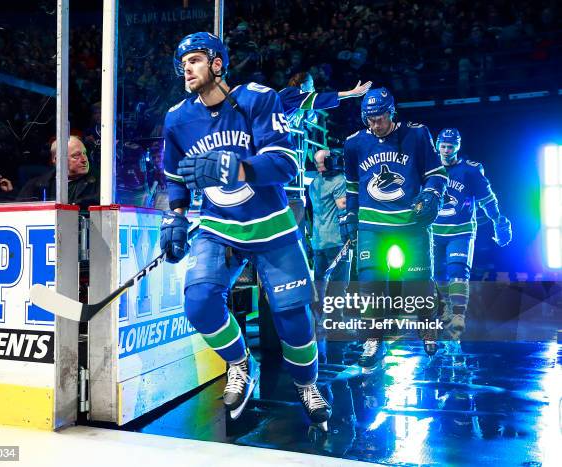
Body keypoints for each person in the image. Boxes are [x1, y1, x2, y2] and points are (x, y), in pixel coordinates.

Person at [160, 32, 331, 430]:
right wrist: (177, 215)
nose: (187, 68)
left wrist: (236, 168)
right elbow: (175, 177)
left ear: (218, 63)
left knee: (294, 320)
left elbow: (285, 163)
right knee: (199, 303)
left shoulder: (258, 98)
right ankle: (239, 362)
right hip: (220, 230)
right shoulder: (177, 118)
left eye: (196, 59)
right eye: (183, 62)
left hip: (272, 228)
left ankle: (307, 385)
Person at [341, 87, 448, 366]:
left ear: (392, 113)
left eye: (380, 118)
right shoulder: (353, 144)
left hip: (411, 223)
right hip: (372, 226)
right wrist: (350, 217)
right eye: (370, 119)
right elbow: (352, 188)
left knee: (418, 285)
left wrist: (432, 194)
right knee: (370, 285)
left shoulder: (417, 134)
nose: (375, 124)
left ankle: (427, 325)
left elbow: (437, 174)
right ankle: (373, 337)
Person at [432, 128, 511, 340]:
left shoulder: (471, 170)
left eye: (451, 146)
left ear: (457, 147)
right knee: (437, 273)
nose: (446, 150)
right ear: (437, 145)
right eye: (443, 145)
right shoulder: (428, 168)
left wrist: (498, 221)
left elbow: (487, 198)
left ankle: (458, 315)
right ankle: (447, 307)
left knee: (457, 270)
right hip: (434, 230)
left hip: (461, 229)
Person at [308, 149, 349, 358]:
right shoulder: (340, 180)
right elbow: (342, 207)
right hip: (337, 240)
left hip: (318, 241)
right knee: (339, 284)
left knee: (320, 284)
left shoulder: (313, 184)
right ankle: (336, 325)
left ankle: (317, 322)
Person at [17, 135, 99, 208]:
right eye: (76, 156)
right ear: (58, 160)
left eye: (84, 153)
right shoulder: (35, 186)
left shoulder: (101, 183)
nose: (84, 159)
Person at [278, 72, 372, 128]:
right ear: (302, 86)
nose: (314, 89)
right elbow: (319, 99)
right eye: (311, 85)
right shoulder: (289, 92)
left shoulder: (300, 105)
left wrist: (310, 108)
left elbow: (311, 123)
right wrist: (351, 93)